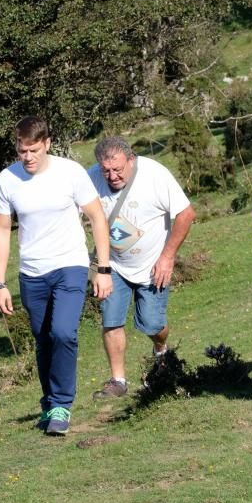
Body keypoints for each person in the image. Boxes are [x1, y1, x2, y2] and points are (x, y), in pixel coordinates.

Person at [0, 116, 112, 435]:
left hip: (69, 265)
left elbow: (98, 218)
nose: (27, 157)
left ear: (46, 143)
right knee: (43, 339)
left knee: (63, 333)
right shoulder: (8, 178)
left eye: (33, 150)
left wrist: (103, 268)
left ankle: (61, 403)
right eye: (22, 151)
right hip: (31, 273)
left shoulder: (70, 172)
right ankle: (49, 403)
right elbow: (2, 230)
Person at [88, 136, 196, 399]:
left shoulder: (155, 175)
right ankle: (118, 381)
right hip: (112, 266)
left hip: (152, 265)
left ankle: (161, 350)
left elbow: (186, 214)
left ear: (131, 160)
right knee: (111, 320)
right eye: (106, 170)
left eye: (118, 169)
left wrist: (168, 257)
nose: (112, 176)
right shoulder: (90, 178)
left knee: (152, 324)